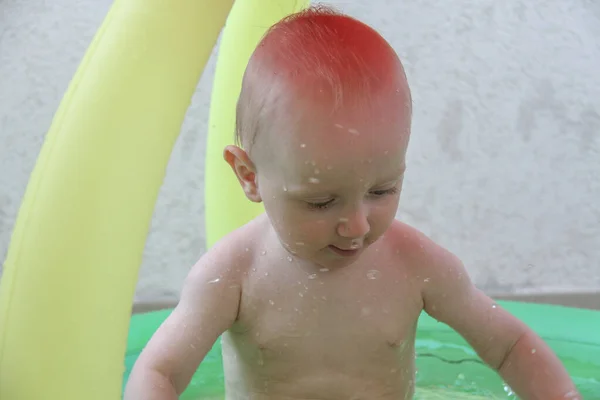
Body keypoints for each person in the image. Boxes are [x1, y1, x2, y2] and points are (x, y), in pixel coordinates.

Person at [124, 5, 581, 400]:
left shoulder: (414, 265)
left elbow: (509, 345)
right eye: (321, 201)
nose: (357, 225)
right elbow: (159, 371)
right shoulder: (232, 276)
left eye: (382, 191)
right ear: (249, 176)